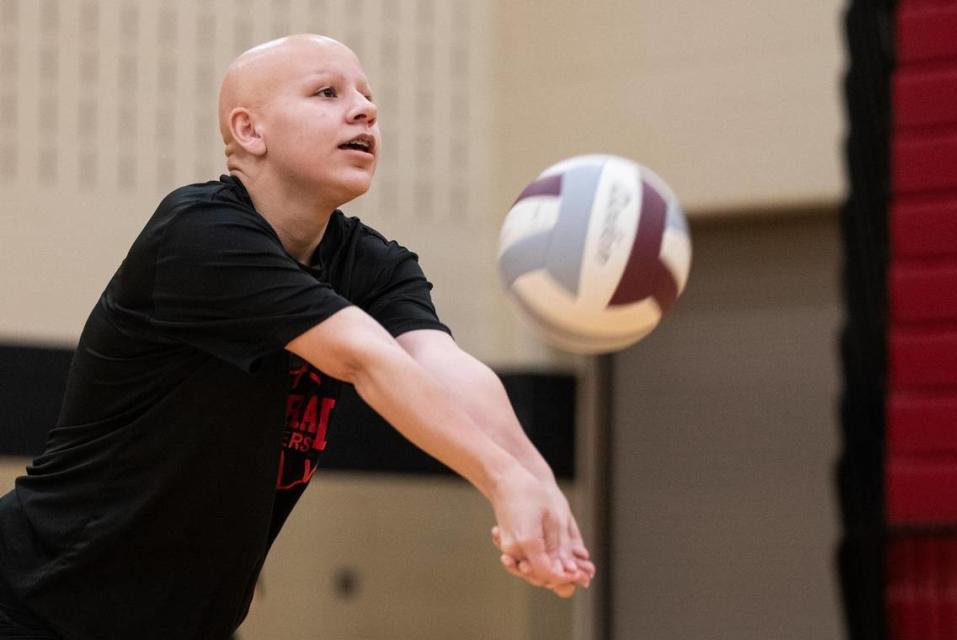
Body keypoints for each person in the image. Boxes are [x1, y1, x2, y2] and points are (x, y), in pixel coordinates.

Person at [0, 34, 594, 639]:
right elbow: (363, 358)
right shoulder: (199, 235)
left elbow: (442, 365)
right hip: (34, 608)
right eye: (327, 93)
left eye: (367, 97)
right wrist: (500, 481)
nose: (363, 109)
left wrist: (537, 484)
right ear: (250, 131)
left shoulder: (372, 262)